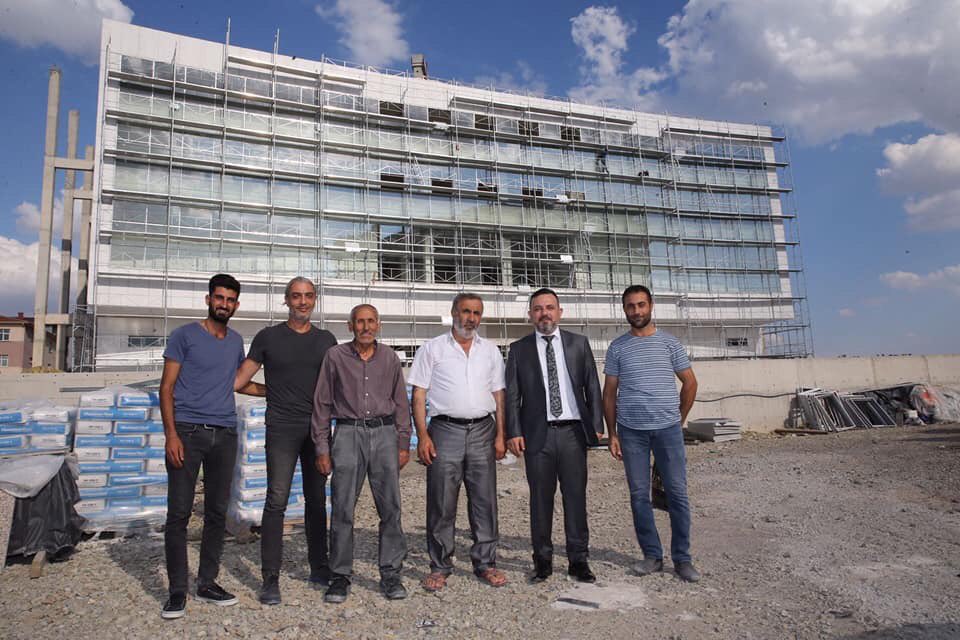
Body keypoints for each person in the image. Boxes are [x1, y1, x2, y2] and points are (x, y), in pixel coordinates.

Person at [234, 277, 338, 605]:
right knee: (276, 500)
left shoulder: (326, 340)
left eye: (308, 296)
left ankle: (319, 567)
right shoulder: (268, 337)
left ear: (315, 299)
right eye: (296, 296)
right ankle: (270, 579)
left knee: (316, 499)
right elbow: (239, 382)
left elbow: (336, 383)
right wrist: (272, 392)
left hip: (317, 429)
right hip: (281, 428)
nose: (302, 302)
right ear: (286, 300)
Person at [160, 273, 253, 619]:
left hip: (225, 434)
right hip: (188, 432)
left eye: (230, 300)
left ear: (236, 305)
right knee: (179, 513)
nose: (224, 304)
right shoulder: (184, 336)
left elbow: (237, 384)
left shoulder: (236, 341)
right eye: (219, 298)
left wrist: (280, 392)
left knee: (216, 512)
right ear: (208, 299)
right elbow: (166, 387)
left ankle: (207, 582)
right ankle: (176, 592)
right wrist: (171, 434)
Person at [310, 304, 411, 603]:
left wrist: (403, 443)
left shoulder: (390, 358)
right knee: (343, 508)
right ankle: (340, 576)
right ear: (350, 326)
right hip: (348, 434)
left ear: (378, 324)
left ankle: (390, 573)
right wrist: (322, 448)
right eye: (360, 322)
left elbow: (401, 402)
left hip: (384, 434)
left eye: (370, 321)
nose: (365, 327)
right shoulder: (335, 357)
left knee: (390, 508)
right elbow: (322, 404)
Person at [408, 293, 507, 592]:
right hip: (444, 431)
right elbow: (419, 394)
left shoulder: (490, 351)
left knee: (484, 500)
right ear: (454, 312)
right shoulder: (432, 348)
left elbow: (498, 395)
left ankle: (485, 562)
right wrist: (423, 435)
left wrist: (501, 435)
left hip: (483, 431)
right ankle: (440, 566)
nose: (471, 318)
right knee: (442, 501)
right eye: (466, 311)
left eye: (476, 313)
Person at [603, 284, 700, 582]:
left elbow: (690, 383)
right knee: (639, 495)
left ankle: (682, 559)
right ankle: (652, 556)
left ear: (651, 306)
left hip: (667, 431)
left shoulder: (669, 343)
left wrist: (679, 419)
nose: (636, 311)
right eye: (631, 306)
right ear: (624, 310)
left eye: (641, 304)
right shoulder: (618, 347)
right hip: (631, 432)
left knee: (677, 493)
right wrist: (612, 434)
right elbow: (609, 393)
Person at [505, 288, 603, 584]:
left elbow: (592, 385)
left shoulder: (578, 343)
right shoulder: (519, 349)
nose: (544, 313)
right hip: (538, 436)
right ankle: (542, 561)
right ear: (530, 315)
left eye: (549, 307)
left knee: (575, 498)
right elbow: (512, 395)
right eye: (538, 309)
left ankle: (578, 560)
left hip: (573, 433)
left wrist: (596, 424)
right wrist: (514, 431)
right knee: (540, 500)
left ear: (560, 312)